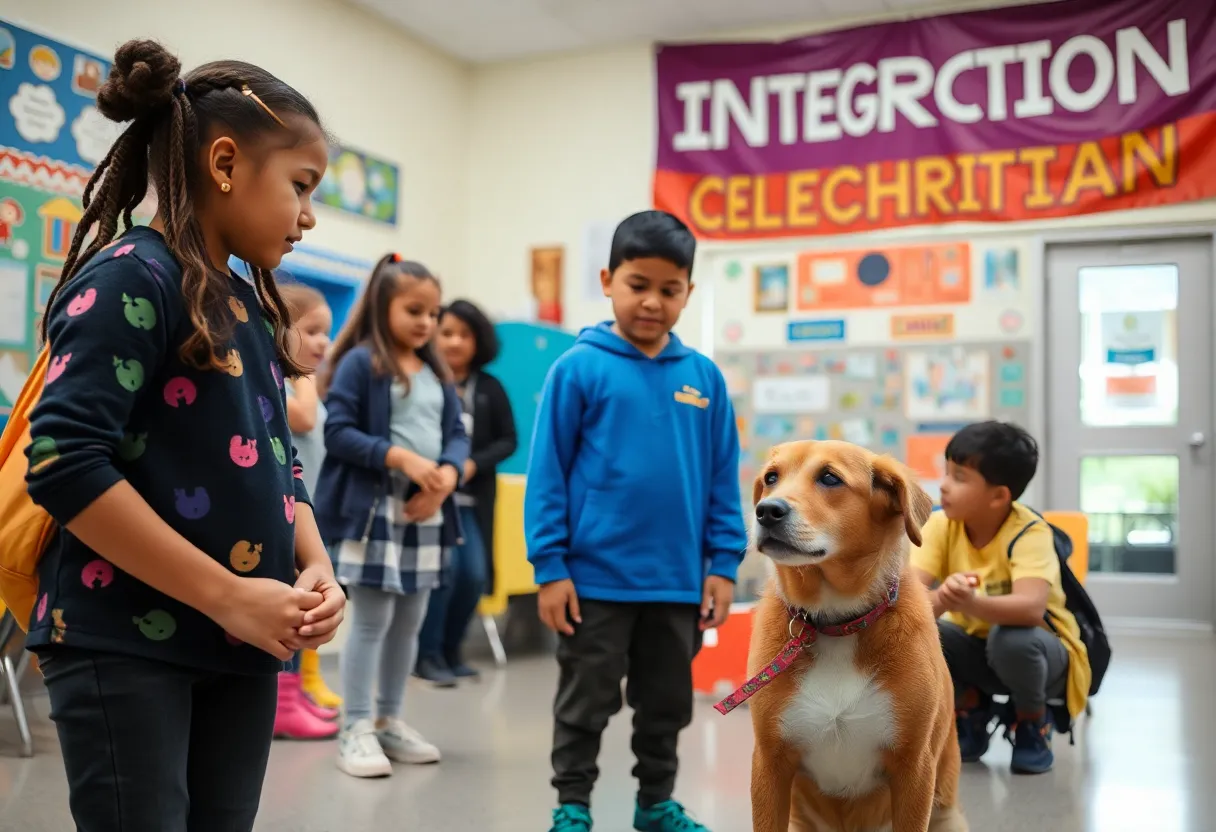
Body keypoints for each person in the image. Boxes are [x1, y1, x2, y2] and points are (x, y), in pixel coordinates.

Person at [22, 40, 345, 832]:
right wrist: (230, 596)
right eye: (300, 187)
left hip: (242, 645)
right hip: (125, 641)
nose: (308, 216)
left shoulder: (251, 305)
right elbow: (64, 461)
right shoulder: (134, 275)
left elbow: (281, 467)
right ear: (226, 162)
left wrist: (317, 567)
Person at [525, 210, 747, 832]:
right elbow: (548, 475)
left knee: (667, 706)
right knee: (584, 703)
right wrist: (550, 567)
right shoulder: (578, 368)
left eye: (668, 289)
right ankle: (572, 805)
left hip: (676, 583)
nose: (652, 301)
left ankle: (655, 805)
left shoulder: (704, 379)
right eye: (637, 284)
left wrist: (723, 565)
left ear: (688, 293)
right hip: (592, 583)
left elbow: (720, 481)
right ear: (607, 280)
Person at [314, 254, 469, 778]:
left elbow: (457, 433)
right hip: (377, 510)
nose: (427, 322)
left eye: (433, 312)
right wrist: (400, 458)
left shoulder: (436, 372)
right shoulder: (361, 363)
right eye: (414, 310)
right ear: (383, 308)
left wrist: (446, 475)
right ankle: (355, 726)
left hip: (425, 513)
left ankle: (388, 719)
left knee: (411, 623)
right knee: (374, 620)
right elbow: (338, 432)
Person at [911, 421, 1091, 775]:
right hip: (979, 654)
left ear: (999, 497)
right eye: (946, 472)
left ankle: (1032, 721)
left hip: (1042, 659)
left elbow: (1030, 609)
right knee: (928, 632)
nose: (943, 486)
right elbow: (910, 608)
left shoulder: (1029, 532)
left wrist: (968, 603)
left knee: (1011, 637)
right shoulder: (940, 525)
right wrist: (944, 600)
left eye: (959, 477)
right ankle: (969, 710)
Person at [414, 299, 517, 686]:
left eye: (465, 335)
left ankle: (452, 652)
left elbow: (509, 439)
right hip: (428, 498)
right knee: (442, 574)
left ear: (479, 341)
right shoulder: (422, 378)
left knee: (472, 574)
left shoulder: (489, 387)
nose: (455, 343)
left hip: (472, 502)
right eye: (447, 333)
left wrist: (471, 464)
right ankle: (427, 656)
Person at [272, 282, 341, 739]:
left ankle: (300, 689)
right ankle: (283, 701)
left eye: (327, 334)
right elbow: (306, 420)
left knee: (309, 603)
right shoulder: (283, 378)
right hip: (282, 517)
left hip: (308, 517)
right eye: (312, 331)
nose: (323, 343)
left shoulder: (298, 380)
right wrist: (308, 377)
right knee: (291, 607)